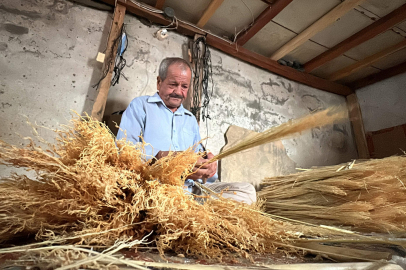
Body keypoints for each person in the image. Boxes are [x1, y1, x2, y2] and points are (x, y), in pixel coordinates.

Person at [117, 57, 256, 204]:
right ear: (159, 82)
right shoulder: (141, 106)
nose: (178, 91)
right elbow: (123, 150)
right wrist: (162, 157)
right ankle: (184, 211)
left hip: (190, 191)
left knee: (247, 191)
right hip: (156, 187)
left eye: (184, 86)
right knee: (162, 198)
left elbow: (199, 158)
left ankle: (194, 211)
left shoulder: (190, 119)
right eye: (173, 84)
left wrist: (208, 163)